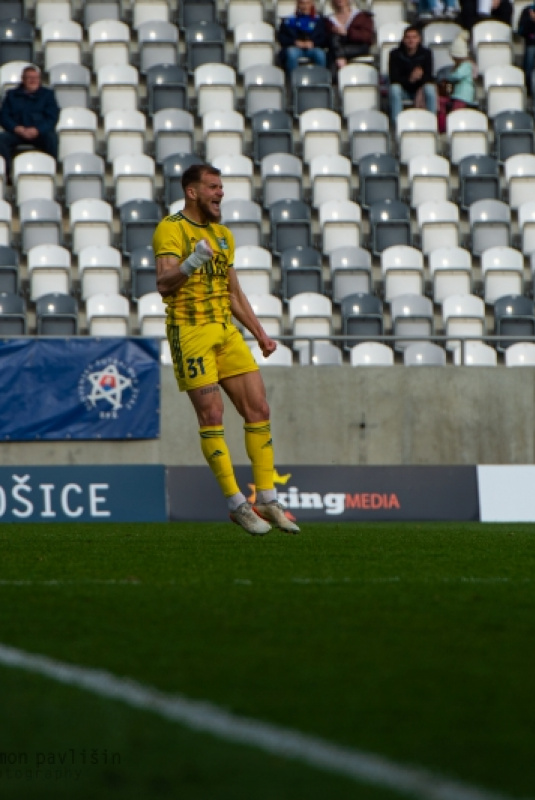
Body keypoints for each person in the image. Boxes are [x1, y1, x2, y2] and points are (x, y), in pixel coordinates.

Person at [153, 164, 300, 537]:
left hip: (226, 332)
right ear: (192, 192)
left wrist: (261, 334)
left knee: (259, 408)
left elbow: (232, 291)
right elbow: (164, 284)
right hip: (191, 333)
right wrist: (192, 261)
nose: (220, 193)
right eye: (213, 187)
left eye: (222, 187)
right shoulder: (172, 229)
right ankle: (237, 504)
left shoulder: (222, 235)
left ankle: (266, 497)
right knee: (212, 414)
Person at [0, 65, 59, 180]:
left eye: (36, 78)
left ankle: (51, 173)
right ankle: (7, 174)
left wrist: (38, 130)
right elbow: (4, 116)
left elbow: (52, 118)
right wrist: (17, 128)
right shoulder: (12, 95)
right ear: (23, 79)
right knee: (1, 140)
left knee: (52, 139)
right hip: (17, 132)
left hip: (39, 133)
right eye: (29, 78)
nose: (33, 81)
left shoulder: (48, 95)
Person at [388, 24, 438, 124]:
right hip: (404, 90)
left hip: (420, 90)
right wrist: (410, 79)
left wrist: (419, 81)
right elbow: (393, 77)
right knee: (394, 89)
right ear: (403, 39)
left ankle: (432, 122)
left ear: (419, 39)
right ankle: (397, 123)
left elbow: (429, 76)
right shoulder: (395, 54)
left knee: (430, 88)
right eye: (408, 37)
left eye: (414, 37)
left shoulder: (426, 53)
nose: (411, 40)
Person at [278, 0, 329, 75]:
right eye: (302, 3)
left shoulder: (319, 20)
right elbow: (282, 38)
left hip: (313, 48)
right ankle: (293, 80)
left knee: (320, 54)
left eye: (307, 3)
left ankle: (320, 80)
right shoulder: (288, 21)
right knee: (292, 54)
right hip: (295, 47)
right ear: (298, 4)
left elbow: (324, 38)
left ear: (312, 4)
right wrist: (295, 42)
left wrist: (313, 43)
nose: (305, 6)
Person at [437, 33, 476, 133]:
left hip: (463, 96)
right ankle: (442, 126)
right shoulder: (460, 66)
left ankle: (455, 127)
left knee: (456, 111)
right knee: (441, 102)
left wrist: (448, 77)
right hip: (456, 95)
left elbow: (457, 76)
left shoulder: (467, 65)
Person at [326, 0, 375, 73]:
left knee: (334, 54)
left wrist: (348, 33)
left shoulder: (361, 16)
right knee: (334, 38)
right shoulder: (329, 20)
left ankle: (340, 57)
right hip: (339, 47)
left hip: (359, 47)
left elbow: (367, 37)